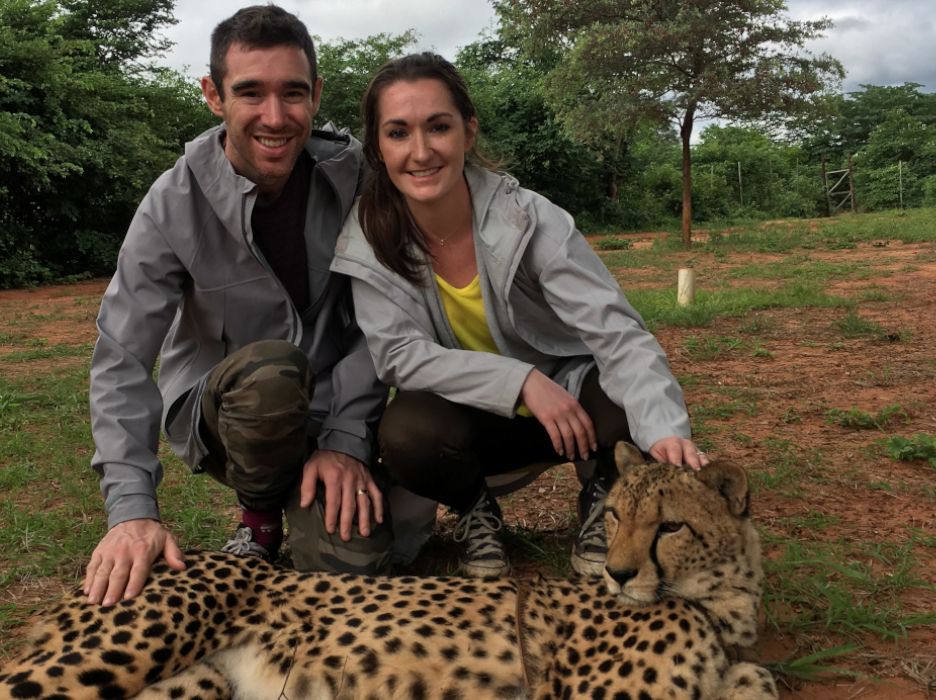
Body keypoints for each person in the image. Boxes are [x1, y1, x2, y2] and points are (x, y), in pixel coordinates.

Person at [330, 53, 709, 578]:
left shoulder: (529, 218)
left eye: (438, 127)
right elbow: (400, 356)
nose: (421, 152)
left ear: (468, 129)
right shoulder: (368, 238)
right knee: (406, 434)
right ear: (377, 145)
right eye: (398, 133)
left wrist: (668, 433)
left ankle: (604, 493)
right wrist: (522, 380)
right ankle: (473, 509)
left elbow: (617, 332)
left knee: (623, 395)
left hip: (573, 407)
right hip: (471, 419)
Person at [83, 5, 391, 608]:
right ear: (213, 96)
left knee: (353, 567)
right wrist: (130, 511)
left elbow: (381, 318)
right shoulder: (172, 203)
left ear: (317, 94)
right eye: (250, 92)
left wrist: (346, 438)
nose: (275, 118)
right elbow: (121, 358)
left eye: (293, 93)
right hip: (229, 415)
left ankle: (328, 485)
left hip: (331, 409)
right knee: (273, 371)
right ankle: (258, 516)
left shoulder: (355, 175)